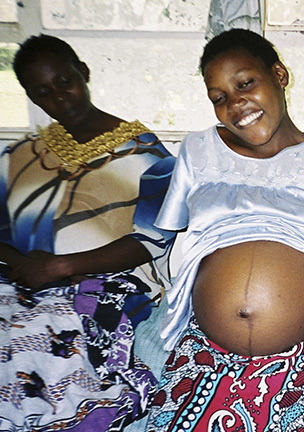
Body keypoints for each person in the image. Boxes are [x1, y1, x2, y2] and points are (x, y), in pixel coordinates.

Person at [145, 29, 304, 432]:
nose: (235, 104)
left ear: (279, 75)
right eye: (219, 97)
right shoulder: (198, 151)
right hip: (204, 356)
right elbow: (166, 245)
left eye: (245, 83)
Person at [0, 35, 175, 431]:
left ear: (84, 72)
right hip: (19, 282)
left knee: (42, 346)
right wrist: (25, 267)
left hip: (106, 287)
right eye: (43, 92)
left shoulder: (146, 154)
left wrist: (60, 267)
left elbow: (153, 239)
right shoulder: (20, 156)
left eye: (65, 81)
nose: (59, 98)